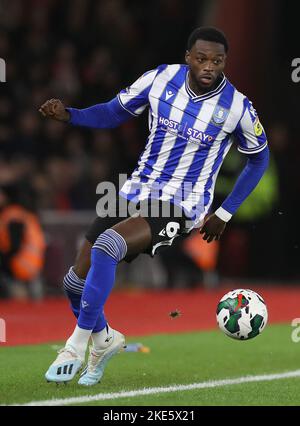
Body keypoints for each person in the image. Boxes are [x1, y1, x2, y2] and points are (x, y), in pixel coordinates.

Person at [39, 27, 269, 386]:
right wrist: (71, 115)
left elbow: (259, 159)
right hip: (135, 189)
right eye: (203, 58)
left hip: (182, 203)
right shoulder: (160, 78)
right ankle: (105, 340)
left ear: (225, 62)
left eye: (218, 60)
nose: (210, 66)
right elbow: (113, 112)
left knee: (107, 246)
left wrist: (224, 213)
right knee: (73, 282)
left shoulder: (237, 107)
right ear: (189, 56)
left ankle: (74, 346)